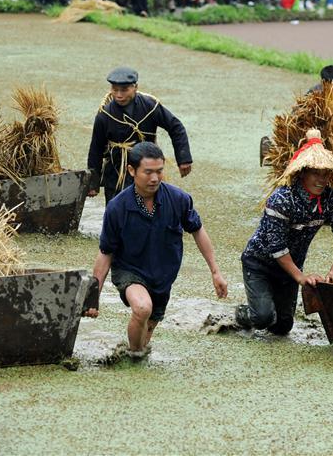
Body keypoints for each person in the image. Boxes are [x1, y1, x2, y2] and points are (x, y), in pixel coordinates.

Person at [84, 142, 227, 359]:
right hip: (129, 270)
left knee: (147, 331)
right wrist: (94, 296)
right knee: (142, 308)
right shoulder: (117, 207)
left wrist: (215, 271)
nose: (154, 178)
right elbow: (106, 253)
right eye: (148, 172)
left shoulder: (178, 199)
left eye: (159, 171)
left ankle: (134, 354)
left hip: (163, 276)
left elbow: (198, 231)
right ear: (132, 171)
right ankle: (133, 358)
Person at [236, 129, 333, 335]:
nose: (322, 179)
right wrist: (300, 277)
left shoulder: (330, 199)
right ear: (302, 172)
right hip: (260, 263)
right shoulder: (282, 199)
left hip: (290, 267)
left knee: (282, 327)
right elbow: (277, 247)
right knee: (263, 318)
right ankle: (244, 313)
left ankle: (267, 306)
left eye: (326, 173)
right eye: (316, 173)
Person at [87, 67, 192, 204]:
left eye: (124, 90)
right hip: (117, 170)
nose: (118, 95)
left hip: (147, 167)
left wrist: (183, 158)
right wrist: (93, 184)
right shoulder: (104, 115)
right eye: (114, 89)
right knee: (117, 208)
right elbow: (96, 148)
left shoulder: (150, 106)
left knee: (150, 205)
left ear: (135, 87)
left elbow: (175, 127)